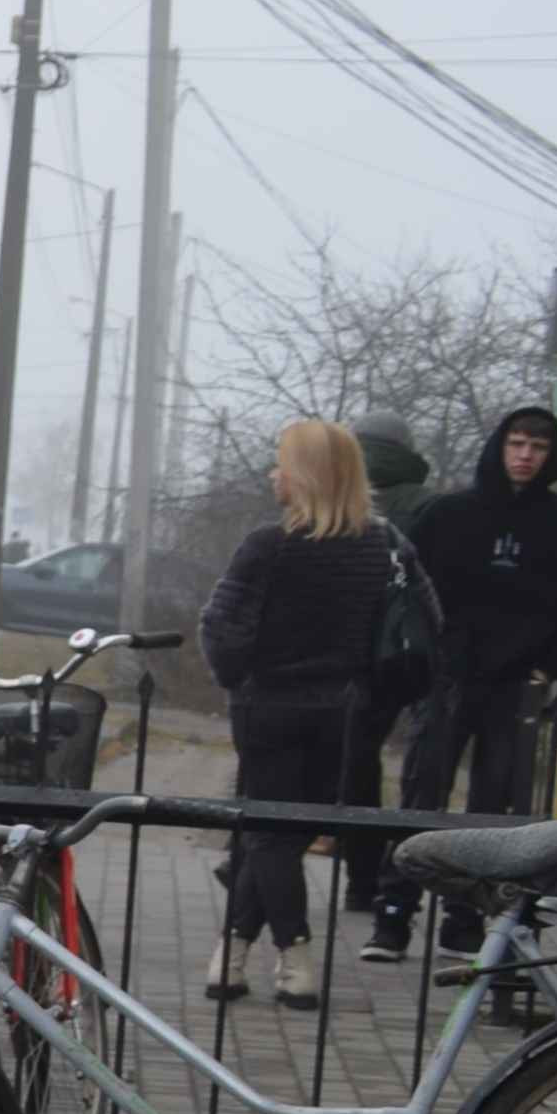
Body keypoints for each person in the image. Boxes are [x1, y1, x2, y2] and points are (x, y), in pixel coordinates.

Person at [372, 403, 557, 967]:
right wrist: (422, 657)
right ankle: (393, 915)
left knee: (495, 807)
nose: (525, 455)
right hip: (446, 678)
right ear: (500, 447)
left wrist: (553, 664)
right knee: (421, 796)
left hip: (516, 686)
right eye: (517, 443)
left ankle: (466, 919)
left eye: (538, 447)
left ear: (552, 456)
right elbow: (405, 590)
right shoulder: (450, 514)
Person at [197, 419, 409, 1010]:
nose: (274, 474)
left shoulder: (269, 544)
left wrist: (235, 674)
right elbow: (420, 627)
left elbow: (220, 625)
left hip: (268, 707)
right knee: (285, 838)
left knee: (267, 835)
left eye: (282, 463)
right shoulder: (384, 544)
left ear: (308, 475)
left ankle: (296, 959)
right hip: (343, 712)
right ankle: (231, 954)